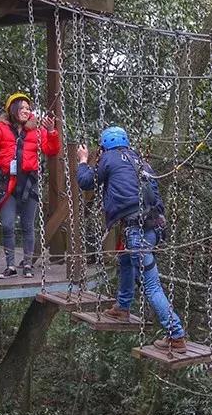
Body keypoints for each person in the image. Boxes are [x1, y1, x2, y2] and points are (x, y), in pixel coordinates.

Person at [76, 126, 187, 353]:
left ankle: (175, 334)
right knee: (125, 260)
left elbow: (86, 181)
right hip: (151, 227)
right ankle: (123, 307)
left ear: (104, 146)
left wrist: (83, 160)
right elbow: (155, 196)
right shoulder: (141, 162)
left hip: (136, 231)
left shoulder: (109, 159)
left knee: (151, 285)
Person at [0, 93, 60, 279]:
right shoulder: (1, 128)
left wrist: (51, 132)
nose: (26, 111)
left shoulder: (37, 130)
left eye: (28, 108)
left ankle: (27, 263)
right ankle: (10, 265)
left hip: (29, 183)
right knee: (7, 225)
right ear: (13, 110)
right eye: (22, 108)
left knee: (28, 225)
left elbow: (51, 150)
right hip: (8, 184)